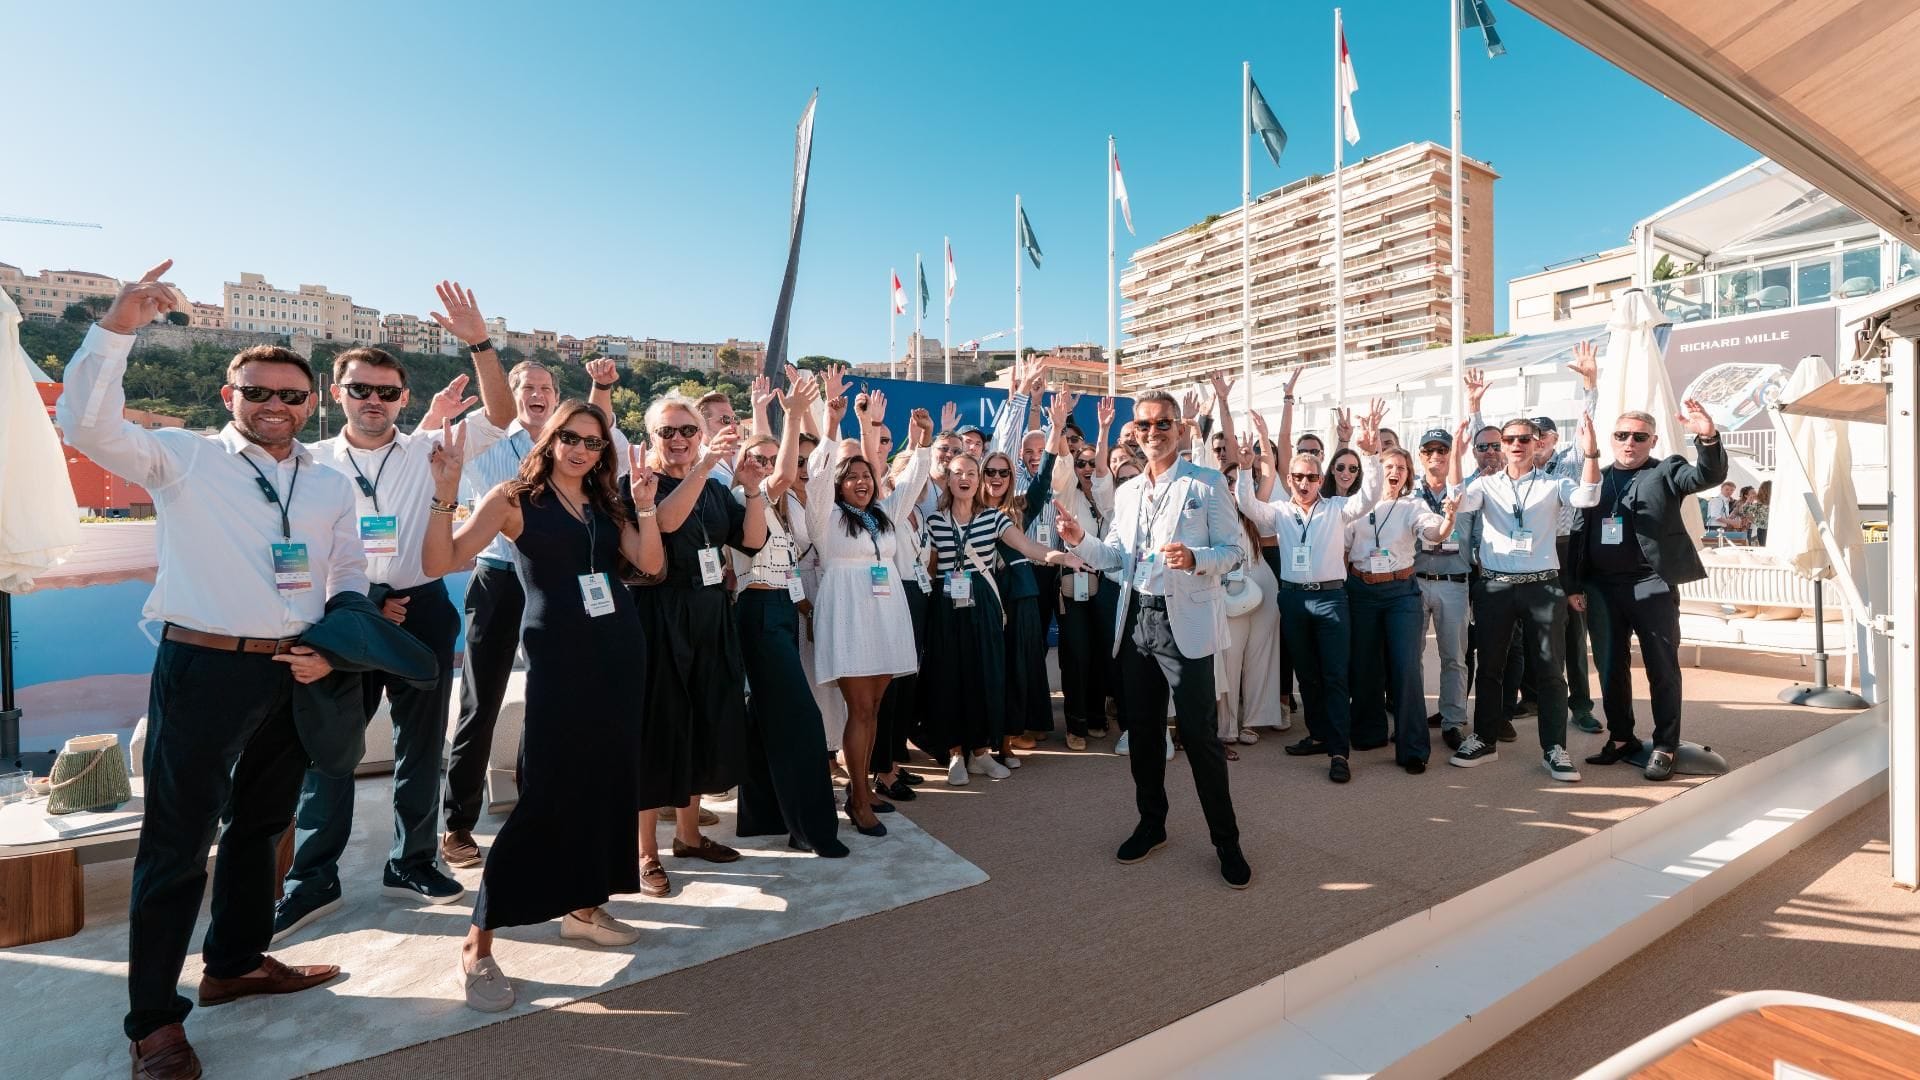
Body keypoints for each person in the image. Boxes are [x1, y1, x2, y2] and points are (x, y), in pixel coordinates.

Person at [59, 263, 360, 1077]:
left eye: (291, 396)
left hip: (295, 672)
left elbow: (350, 571)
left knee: (263, 829)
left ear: (311, 404)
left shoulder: (328, 481)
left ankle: (234, 964)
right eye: (257, 392)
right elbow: (84, 425)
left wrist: (329, 644)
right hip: (203, 669)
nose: (274, 405)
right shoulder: (183, 458)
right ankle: (153, 1021)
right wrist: (119, 325)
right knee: (177, 845)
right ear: (230, 396)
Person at [275, 282, 514, 942]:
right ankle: (312, 877)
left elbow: (502, 409)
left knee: (419, 748)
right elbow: (292, 547)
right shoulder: (309, 461)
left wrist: (479, 341)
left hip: (425, 610)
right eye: (360, 390)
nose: (373, 401)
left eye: (385, 391)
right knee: (330, 753)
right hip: (346, 618)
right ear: (336, 392)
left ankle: (412, 861)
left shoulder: (430, 449)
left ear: (403, 399)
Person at [424, 402, 664, 1011]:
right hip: (559, 659)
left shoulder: (605, 502)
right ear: (550, 439)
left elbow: (651, 563)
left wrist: (643, 503)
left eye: (593, 441)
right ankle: (477, 945)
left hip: (620, 652)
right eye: (571, 438)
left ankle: (584, 907)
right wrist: (445, 493)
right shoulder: (512, 498)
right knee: (547, 794)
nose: (581, 450)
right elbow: (441, 561)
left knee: (608, 783)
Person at [1053, 390, 1250, 889]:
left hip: (1187, 622)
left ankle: (1226, 841)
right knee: (1142, 733)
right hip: (1137, 618)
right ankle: (1152, 823)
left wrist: (1197, 558)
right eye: (1144, 425)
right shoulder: (1127, 491)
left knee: (1201, 736)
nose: (1153, 433)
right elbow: (1117, 557)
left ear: (1180, 430)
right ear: (1134, 431)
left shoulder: (1205, 484)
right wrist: (1080, 541)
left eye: (1163, 424)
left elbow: (1234, 551)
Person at [442, 354, 621, 869]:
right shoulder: (486, 442)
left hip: (554, 581)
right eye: (528, 388)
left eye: (546, 386)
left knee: (552, 695)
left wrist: (599, 387)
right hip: (499, 579)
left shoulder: (572, 449)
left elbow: (601, 435)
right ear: (513, 394)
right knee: (483, 698)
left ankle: (535, 802)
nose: (537, 394)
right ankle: (457, 822)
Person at [632, 392, 768, 896]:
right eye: (667, 432)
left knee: (701, 723)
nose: (679, 441)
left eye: (688, 431)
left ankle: (687, 837)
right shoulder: (643, 483)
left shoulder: (714, 489)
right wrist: (708, 462)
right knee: (659, 730)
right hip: (660, 614)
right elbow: (665, 522)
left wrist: (752, 492)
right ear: (652, 438)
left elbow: (751, 542)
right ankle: (645, 851)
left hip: (710, 613)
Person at [802, 375, 933, 833]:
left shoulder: (884, 515)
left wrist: (922, 442)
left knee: (873, 708)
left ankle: (863, 785)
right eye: (851, 475)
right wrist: (832, 426)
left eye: (866, 475)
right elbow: (817, 477)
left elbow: (915, 481)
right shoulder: (825, 516)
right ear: (839, 485)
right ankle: (856, 798)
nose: (860, 480)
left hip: (886, 614)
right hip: (848, 615)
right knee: (859, 709)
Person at [1570, 403, 1725, 780]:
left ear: (1651, 441)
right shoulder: (1597, 478)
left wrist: (1707, 437)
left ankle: (1665, 745)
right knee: (1610, 668)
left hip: (1651, 584)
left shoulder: (1667, 471)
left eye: (1639, 437)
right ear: (1612, 440)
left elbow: (1707, 474)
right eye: (1622, 435)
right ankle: (1621, 738)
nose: (1630, 443)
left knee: (1662, 667)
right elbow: (1579, 533)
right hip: (1604, 589)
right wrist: (1573, 584)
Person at [729, 375, 849, 858]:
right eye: (753, 460)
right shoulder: (740, 498)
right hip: (757, 611)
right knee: (799, 721)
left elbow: (790, 480)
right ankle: (811, 829)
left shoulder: (783, 507)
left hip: (777, 610)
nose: (769, 467)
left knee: (764, 720)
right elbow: (774, 476)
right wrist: (797, 412)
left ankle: (764, 818)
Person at [1446, 411, 1602, 780]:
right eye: (1510, 439)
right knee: (1489, 668)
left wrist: (1591, 455)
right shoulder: (1486, 485)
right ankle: (1484, 738)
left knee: (1550, 671)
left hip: (1543, 586)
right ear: (1501, 446)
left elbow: (1589, 497)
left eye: (1524, 439)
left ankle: (1554, 748)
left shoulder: (1553, 484)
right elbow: (1456, 498)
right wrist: (1456, 453)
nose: (1516, 445)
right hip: (1496, 586)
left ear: (1537, 444)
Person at [1239, 402, 1386, 784]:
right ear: (1289, 478)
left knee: (1335, 675)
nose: (1304, 484)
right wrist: (1243, 469)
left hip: (1331, 599)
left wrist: (1370, 455)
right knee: (1307, 676)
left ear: (1321, 479)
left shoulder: (1337, 508)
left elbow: (1370, 495)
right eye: (1298, 477)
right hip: (1292, 599)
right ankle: (1319, 734)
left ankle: (1339, 751)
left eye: (1311, 477)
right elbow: (1248, 506)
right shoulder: (1281, 513)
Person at [923, 451, 1081, 785]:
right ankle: (955, 755)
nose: (964, 479)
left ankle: (980, 753)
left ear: (977, 480)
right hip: (945, 604)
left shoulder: (994, 518)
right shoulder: (935, 520)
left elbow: (1027, 547)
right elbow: (931, 567)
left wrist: (1063, 557)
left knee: (985, 675)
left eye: (970, 472)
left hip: (983, 601)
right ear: (948, 480)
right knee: (949, 679)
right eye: (957, 473)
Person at [1344, 447, 1457, 773]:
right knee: (1364, 665)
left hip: (1400, 594)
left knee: (1406, 667)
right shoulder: (1359, 505)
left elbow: (1433, 532)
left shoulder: (1413, 505)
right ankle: (1368, 733)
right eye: (1388, 466)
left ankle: (1412, 749)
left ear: (1408, 475)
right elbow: (1343, 545)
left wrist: (1448, 519)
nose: (1395, 472)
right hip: (1361, 590)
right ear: (1377, 470)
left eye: (1401, 468)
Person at [1056, 397, 1117, 748]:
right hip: (1074, 583)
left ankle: (1096, 716)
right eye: (1081, 463)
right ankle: (1075, 724)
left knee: (1101, 653)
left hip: (1107, 583)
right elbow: (1063, 464)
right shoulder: (1069, 492)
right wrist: (1060, 423)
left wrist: (1105, 429)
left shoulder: (1111, 496)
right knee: (1076, 655)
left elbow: (1105, 473)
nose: (1087, 468)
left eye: (1093, 463)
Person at [1412, 429, 1477, 752]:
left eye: (1443, 449)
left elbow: (1478, 539)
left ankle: (1452, 721)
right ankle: (1412, 720)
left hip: (1454, 584)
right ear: (1420, 455)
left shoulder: (1467, 493)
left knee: (1454, 657)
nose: (1436, 455)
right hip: (1415, 582)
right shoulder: (1407, 492)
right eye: (1429, 450)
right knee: (1411, 657)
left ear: (1452, 454)